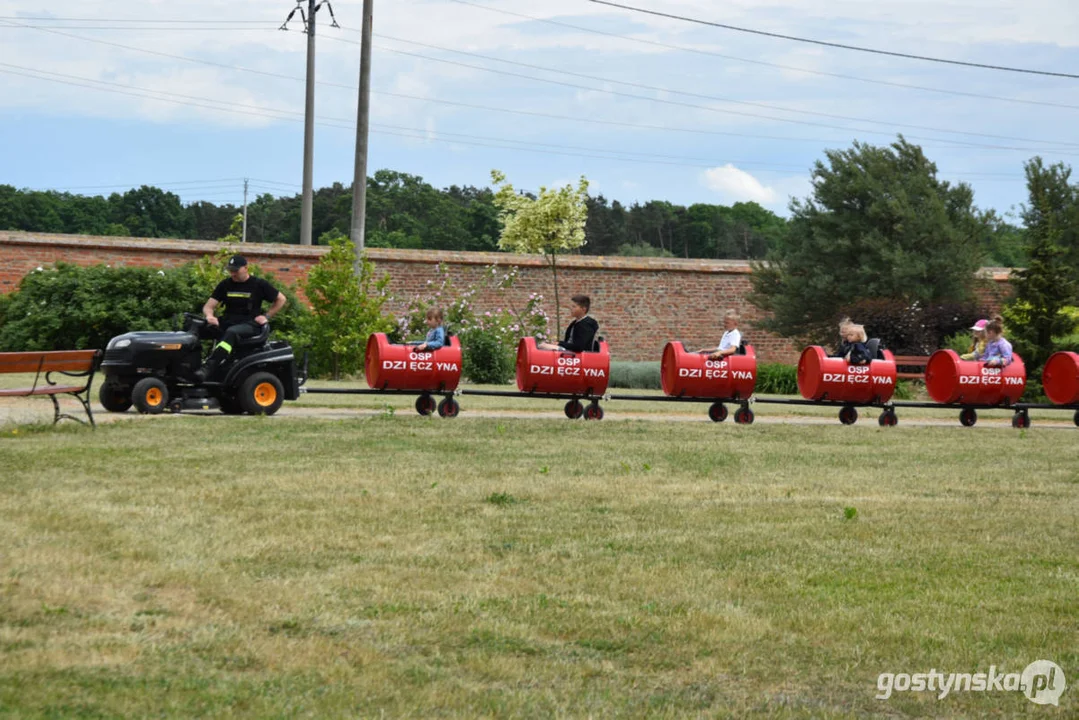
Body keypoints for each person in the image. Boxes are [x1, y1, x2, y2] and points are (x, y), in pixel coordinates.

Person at [195, 255, 286, 381]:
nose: (233, 274)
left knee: (231, 332)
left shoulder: (259, 284)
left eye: (235, 271)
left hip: (249, 325)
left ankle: (208, 368)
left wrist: (267, 316)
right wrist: (210, 316)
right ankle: (188, 366)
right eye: (231, 270)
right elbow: (208, 306)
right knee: (195, 327)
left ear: (245, 268)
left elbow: (281, 299)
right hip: (228, 321)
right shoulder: (225, 285)